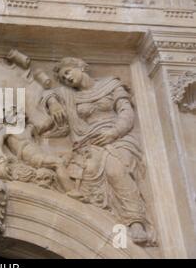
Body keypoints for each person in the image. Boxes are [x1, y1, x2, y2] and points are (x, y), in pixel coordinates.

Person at [41, 57, 151, 244]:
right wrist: (53, 102)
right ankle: (106, 222)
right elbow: (46, 92)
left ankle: (135, 221)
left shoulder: (111, 85)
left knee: (114, 169)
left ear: (81, 67)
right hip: (89, 143)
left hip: (118, 137)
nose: (66, 78)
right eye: (63, 77)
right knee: (88, 172)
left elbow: (126, 112)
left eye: (68, 72)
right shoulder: (70, 95)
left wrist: (113, 132)